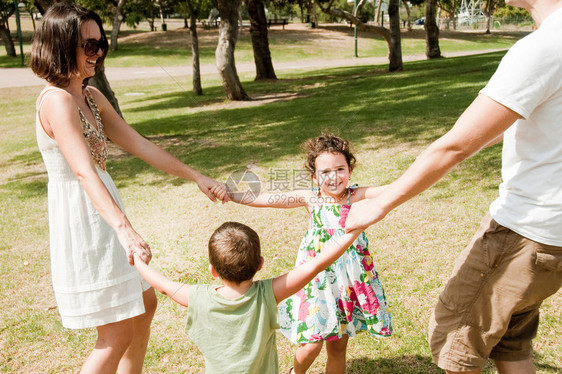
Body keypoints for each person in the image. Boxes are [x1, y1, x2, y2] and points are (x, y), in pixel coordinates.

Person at [344, 0, 562, 372]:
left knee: (454, 337)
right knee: (510, 341)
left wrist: (383, 202)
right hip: (551, 242)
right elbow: (504, 124)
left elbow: (455, 146)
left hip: (524, 235)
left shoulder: (543, 47)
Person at [30, 3, 224, 373]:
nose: (99, 51)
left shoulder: (91, 97)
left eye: (101, 43)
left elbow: (141, 145)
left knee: (144, 305)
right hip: (86, 217)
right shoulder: (56, 101)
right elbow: (84, 172)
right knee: (115, 334)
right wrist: (125, 229)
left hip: (105, 208)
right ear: (60, 45)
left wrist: (196, 176)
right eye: (88, 45)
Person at [212, 134, 393, 374]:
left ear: (350, 170)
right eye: (325, 172)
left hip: (346, 282)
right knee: (312, 343)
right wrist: (230, 194)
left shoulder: (355, 196)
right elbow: (266, 199)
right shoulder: (311, 198)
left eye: (340, 169)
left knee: (339, 347)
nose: (334, 177)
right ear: (314, 177)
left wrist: (429, 170)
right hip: (316, 280)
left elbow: (394, 190)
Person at [133, 221, 361, 374]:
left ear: (212, 270)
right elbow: (314, 266)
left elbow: (164, 286)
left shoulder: (198, 297)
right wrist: (355, 230)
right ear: (260, 264)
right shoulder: (268, 294)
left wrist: (139, 261)